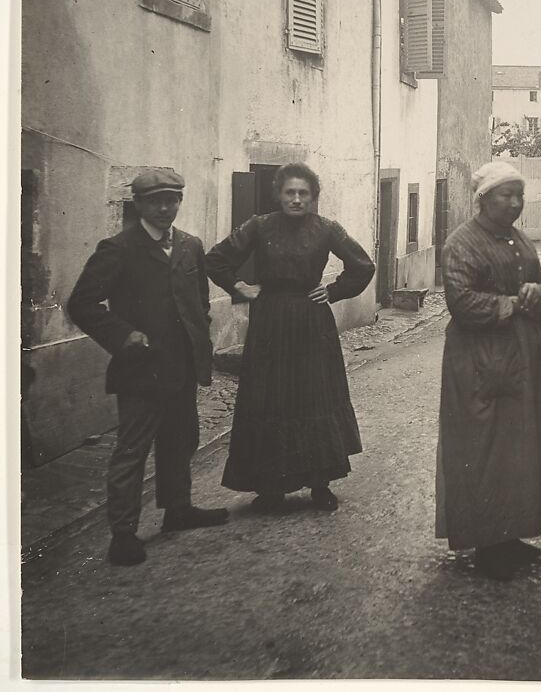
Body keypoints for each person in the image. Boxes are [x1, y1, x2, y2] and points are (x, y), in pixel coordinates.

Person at [67, 170, 228, 566]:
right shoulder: (118, 248)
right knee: (133, 450)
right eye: (155, 200)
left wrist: (199, 337)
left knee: (181, 439)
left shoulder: (190, 246)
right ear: (137, 204)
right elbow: (82, 303)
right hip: (141, 370)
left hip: (182, 367)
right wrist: (124, 336)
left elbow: (199, 301)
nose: (164, 208)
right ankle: (123, 534)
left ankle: (178, 510)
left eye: (171, 199)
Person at [206, 163, 374, 513]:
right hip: (269, 323)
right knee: (270, 399)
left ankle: (320, 485)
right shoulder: (259, 225)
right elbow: (217, 260)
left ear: (313, 197)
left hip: (312, 323)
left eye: (303, 193)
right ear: (278, 194)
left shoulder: (326, 229)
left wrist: (333, 290)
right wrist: (239, 287)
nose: (296, 199)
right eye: (289, 192)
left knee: (314, 398)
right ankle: (270, 488)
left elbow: (362, 265)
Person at [435, 160, 541, 581]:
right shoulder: (462, 243)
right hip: (479, 358)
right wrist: (514, 302)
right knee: (483, 446)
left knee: (517, 446)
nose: (515, 203)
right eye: (505, 195)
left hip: (522, 355)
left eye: (519, 195)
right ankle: (488, 542)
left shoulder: (520, 240)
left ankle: (511, 534)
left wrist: (539, 293)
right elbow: (462, 302)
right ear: (483, 199)